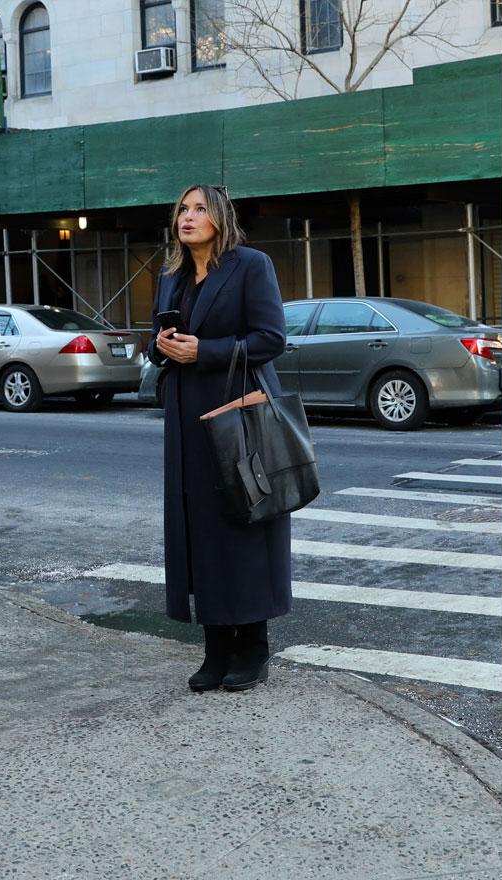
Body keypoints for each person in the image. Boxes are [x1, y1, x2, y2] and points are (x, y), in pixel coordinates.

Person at [147, 184, 291, 693]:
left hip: (238, 411)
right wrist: (163, 347)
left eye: (199, 208)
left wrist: (203, 351)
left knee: (244, 521)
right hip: (186, 418)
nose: (188, 217)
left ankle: (252, 646)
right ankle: (215, 647)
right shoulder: (171, 276)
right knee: (198, 528)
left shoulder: (251, 265)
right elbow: (155, 341)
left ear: (220, 216)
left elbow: (272, 338)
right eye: (181, 208)